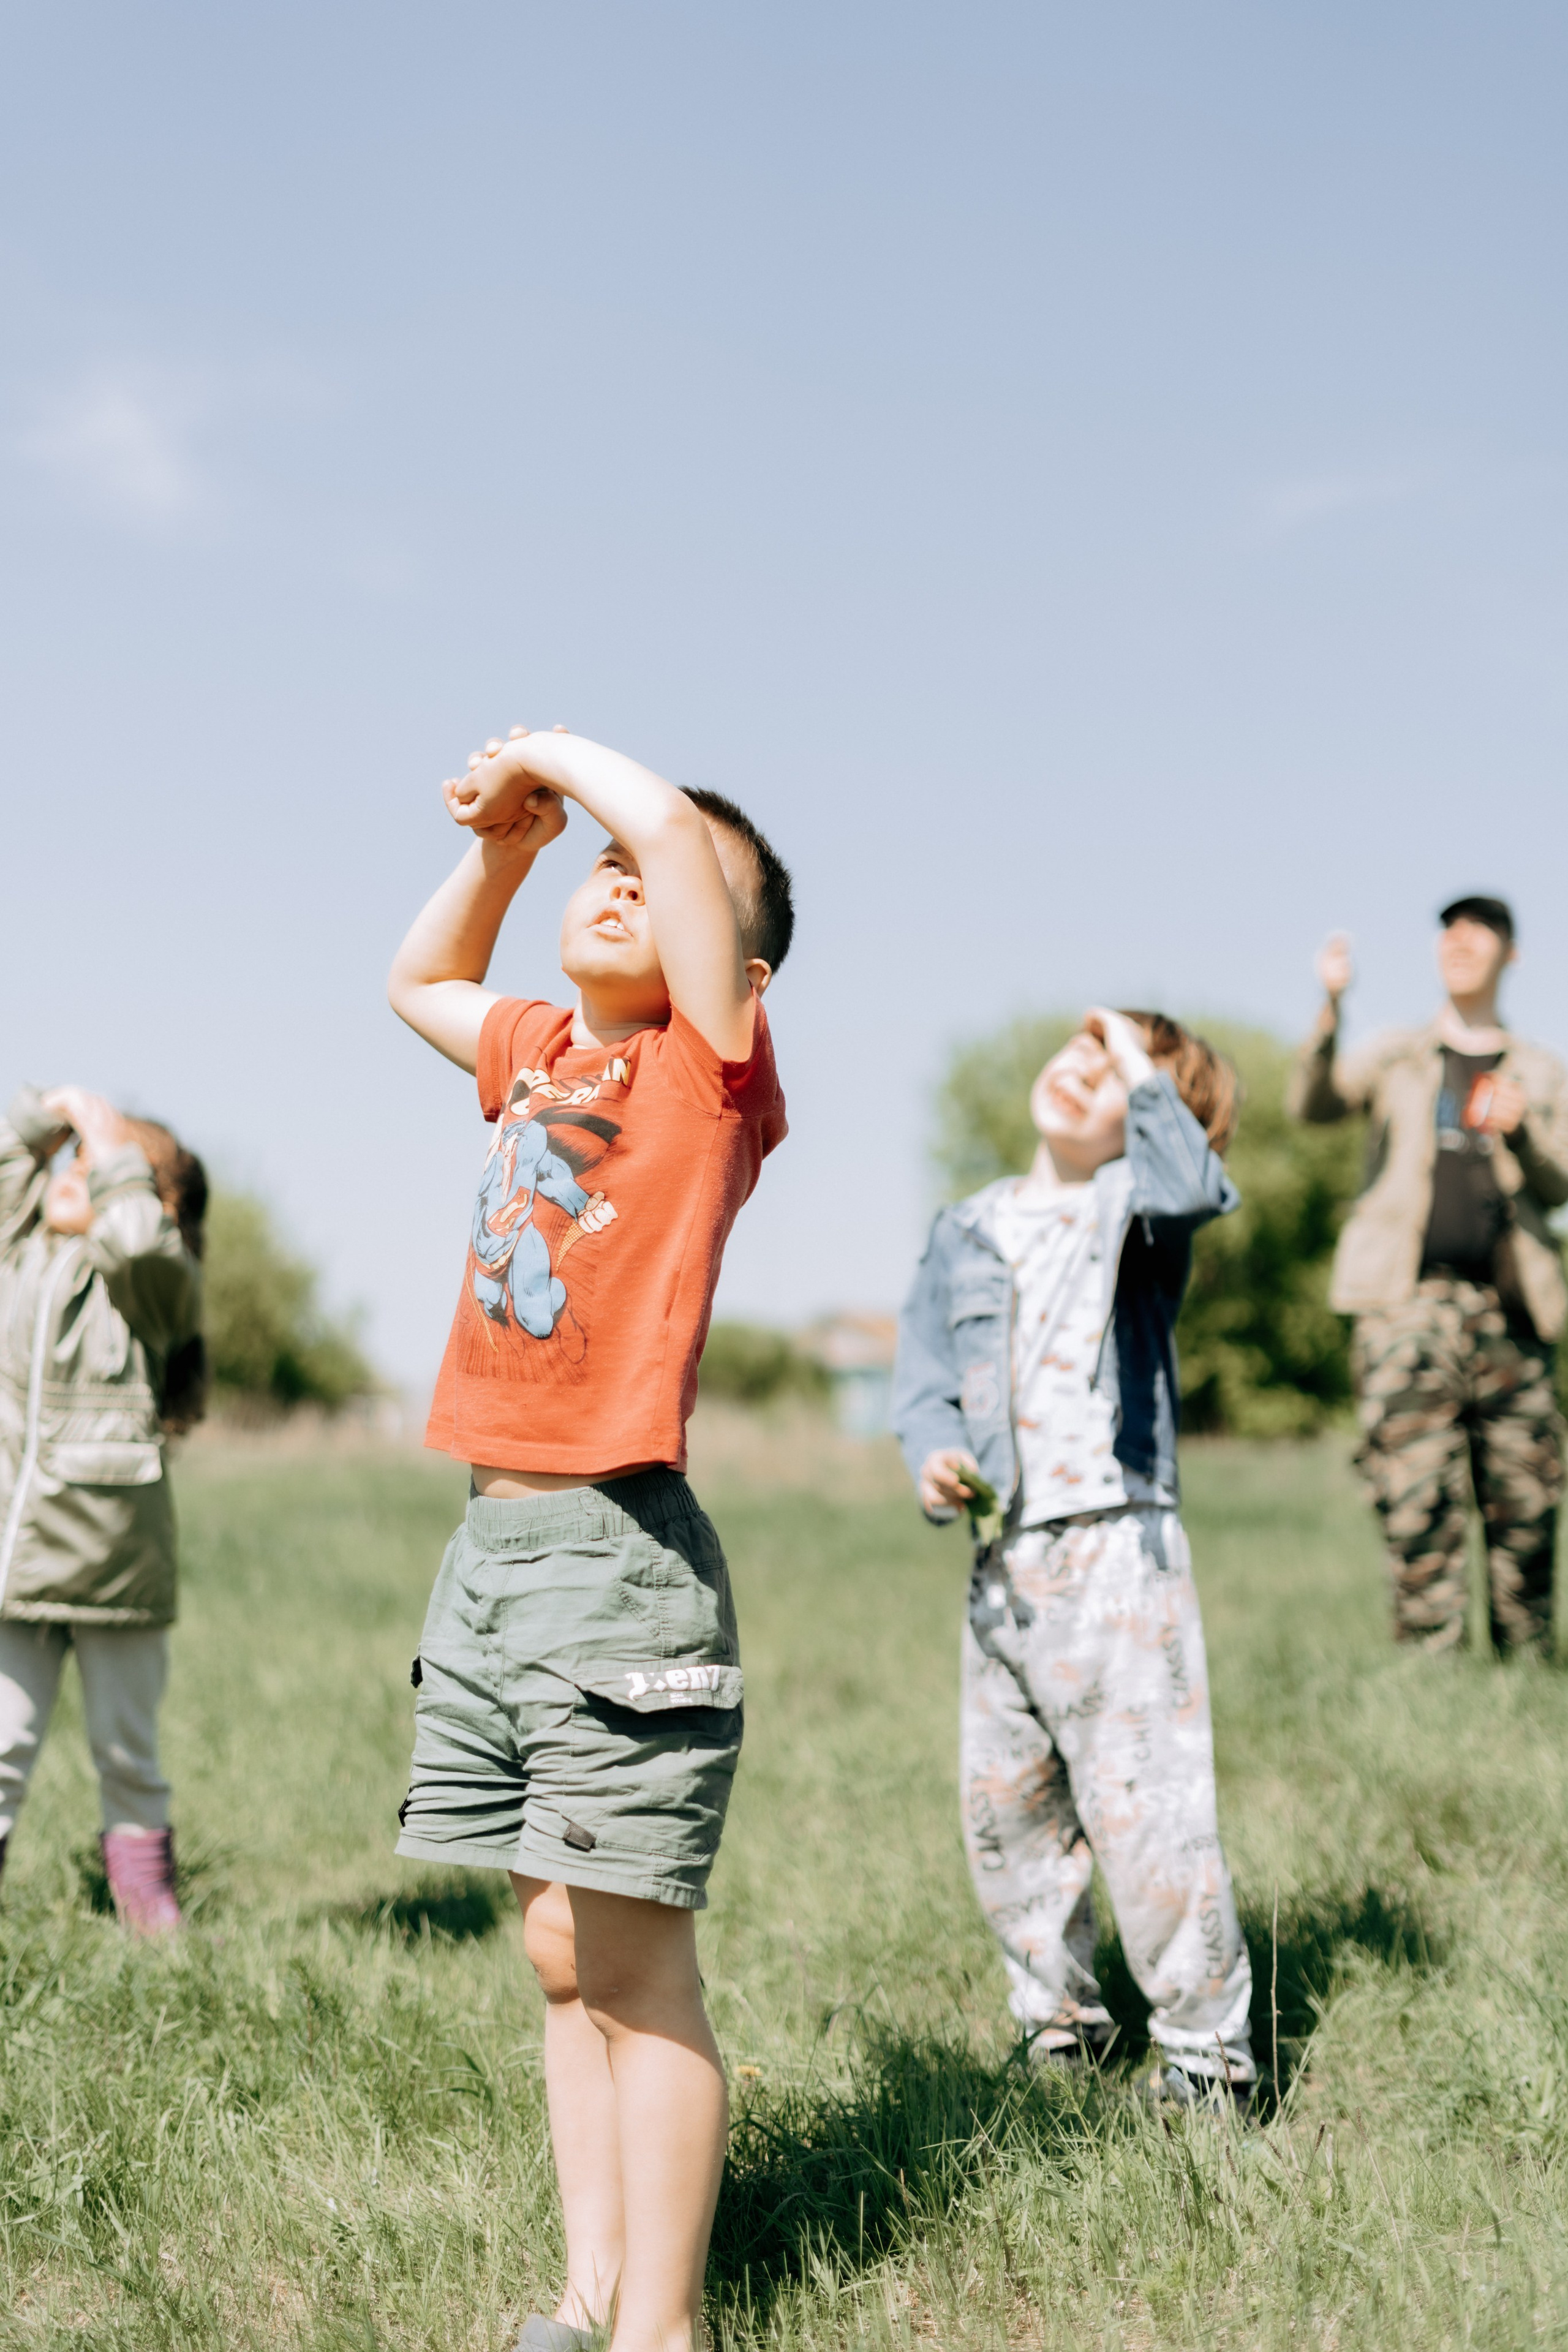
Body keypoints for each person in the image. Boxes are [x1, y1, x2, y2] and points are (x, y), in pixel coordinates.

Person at [387, 725, 791, 2352]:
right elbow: (420, 983)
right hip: (490, 1556)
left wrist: (545, 748)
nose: (620, 872)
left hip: (619, 1554)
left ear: (737, 963)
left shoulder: (711, 1066)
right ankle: (590, 2291)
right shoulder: (548, 1047)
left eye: (661, 870)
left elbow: (682, 855)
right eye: (599, 866)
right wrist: (504, 850)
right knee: (560, 1953)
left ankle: (664, 2328)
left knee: (635, 1968)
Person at [893, 1010, 1256, 2111]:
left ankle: (1208, 2058)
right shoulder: (969, 1227)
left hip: (1116, 1546)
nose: (1083, 1074)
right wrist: (932, 1456)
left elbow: (1195, 1184)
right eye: (1079, 1053)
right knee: (1009, 1814)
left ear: (1155, 1110)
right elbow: (923, 1377)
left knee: (1146, 1806)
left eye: (1118, 1075)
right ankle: (1065, 2027)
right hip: (1004, 1556)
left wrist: (1149, 1072)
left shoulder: (1140, 1208)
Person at [1289, 897, 1568, 1656]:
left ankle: (1528, 1674)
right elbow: (1311, 1105)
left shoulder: (1540, 1069)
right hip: (1405, 1305)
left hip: (1513, 1310)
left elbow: (1562, 1184)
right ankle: (1430, 1685)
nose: (1460, 940)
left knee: (1529, 1505)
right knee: (1415, 1499)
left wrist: (1528, 1133)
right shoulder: (1395, 1054)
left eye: (1479, 929)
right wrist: (1330, 1007)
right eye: (1450, 928)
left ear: (1509, 954)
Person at [0, 1085, 206, 1931]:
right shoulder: (20, 1258)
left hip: (113, 1562)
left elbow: (138, 1245)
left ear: (152, 1202)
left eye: (103, 1163)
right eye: (72, 1155)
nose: (75, 1168)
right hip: (16, 1558)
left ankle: (149, 1911)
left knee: (128, 1752)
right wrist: (49, 1118)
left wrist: (110, 1142)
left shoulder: (155, 1288)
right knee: (1, 1746)